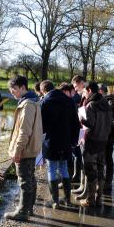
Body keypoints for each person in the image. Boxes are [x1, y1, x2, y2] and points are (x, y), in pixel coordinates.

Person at [4, 75, 42, 221]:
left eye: (13, 89)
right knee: (30, 177)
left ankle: (23, 211)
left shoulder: (27, 105)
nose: (12, 92)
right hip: (32, 147)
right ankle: (29, 207)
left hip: (26, 149)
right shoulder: (33, 101)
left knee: (24, 179)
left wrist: (17, 150)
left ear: (22, 87)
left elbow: (24, 131)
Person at [40, 80, 80, 209]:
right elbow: (76, 123)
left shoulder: (45, 102)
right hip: (66, 140)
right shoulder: (69, 100)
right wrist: (74, 141)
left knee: (51, 168)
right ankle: (67, 200)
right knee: (63, 167)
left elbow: (42, 125)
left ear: (44, 91)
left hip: (51, 141)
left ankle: (55, 201)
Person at [78, 82, 112, 207]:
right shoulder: (107, 104)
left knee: (90, 172)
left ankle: (90, 200)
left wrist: (81, 119)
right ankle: (99, 199)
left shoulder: (91, 105)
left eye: (85, 91)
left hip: (91, 142)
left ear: (90, 90)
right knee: (100, 170)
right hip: (103, 142)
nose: (84, 94)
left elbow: (90, 124)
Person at [98, 84, 114, 194]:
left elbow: (112, 120)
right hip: (111, 134)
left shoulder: (108, 101)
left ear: (101, 91)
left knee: (106, 158)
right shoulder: (113, 100)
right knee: (107, 157)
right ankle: (107, 181)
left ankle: (107, 182)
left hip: (108, 134)